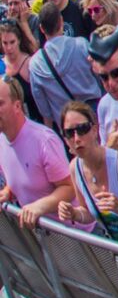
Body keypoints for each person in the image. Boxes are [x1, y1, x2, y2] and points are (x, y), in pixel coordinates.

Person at [56, 101, 118, 247]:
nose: (76, 138)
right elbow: (88, 213)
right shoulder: (75, 168)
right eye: (69, 133)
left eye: (82, 129)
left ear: (95, 130)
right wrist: (74, 213)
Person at [0, 78, 74, 229]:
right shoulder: (1, 142)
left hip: (76, 236)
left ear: (17, 106)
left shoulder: (44, 140)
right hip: (44, 238)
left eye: (0, 103)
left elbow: (70, 188)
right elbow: (20, 176)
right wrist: (8, 192)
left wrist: (39, 206)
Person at [29, 3, 103, 128]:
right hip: (94, 114)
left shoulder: (35, 64)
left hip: (68, 126)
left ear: (41, 28)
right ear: (61, 21)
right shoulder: (82, 45)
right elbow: (99, 77)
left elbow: (44, 108)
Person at [0, 22, 41, 123]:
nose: (9, 48)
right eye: (5, 43)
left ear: (18, 40)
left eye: (12, 42)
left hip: (35, 121)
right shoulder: (1, 66)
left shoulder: (31, 63)